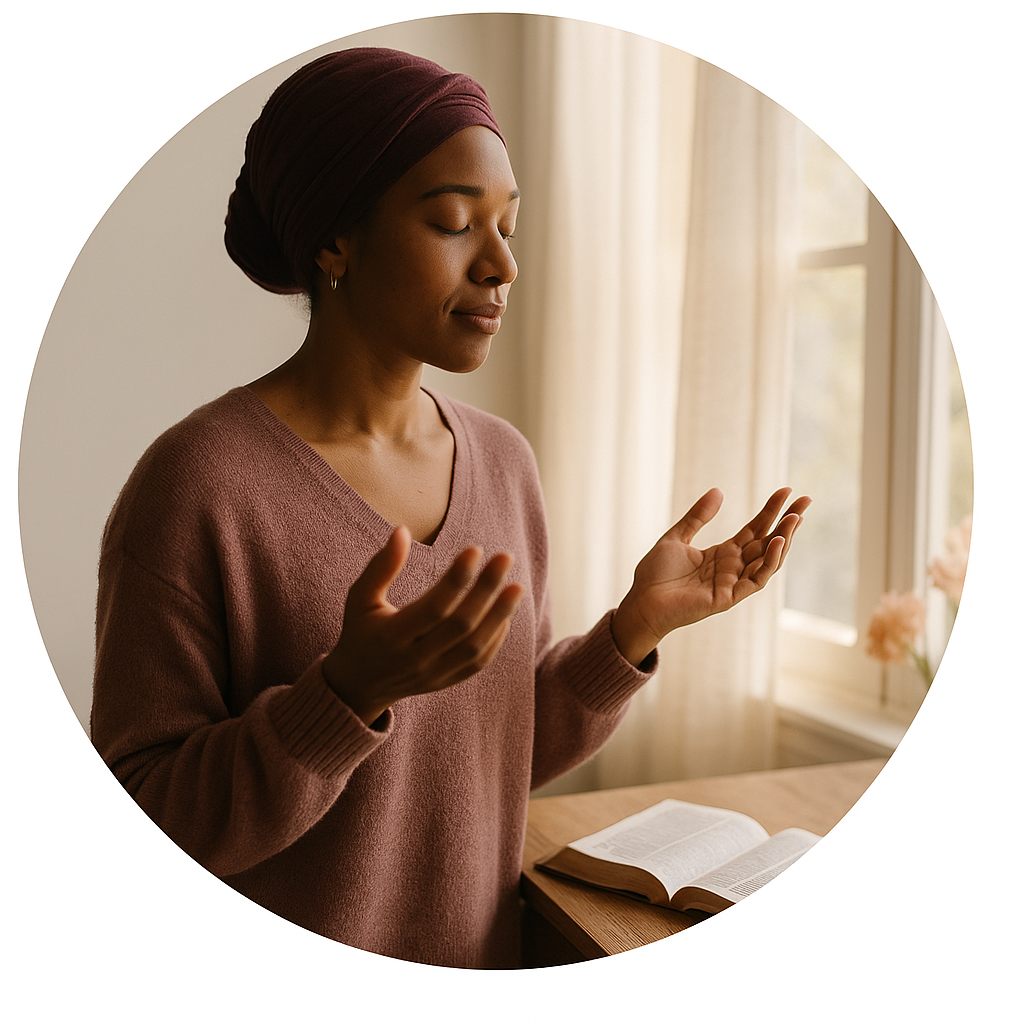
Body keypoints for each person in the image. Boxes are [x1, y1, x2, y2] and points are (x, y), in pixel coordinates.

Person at [90, 47, 809, 970]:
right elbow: (147, 826)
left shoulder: (503, 463)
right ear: (335, 241)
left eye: (509, 225)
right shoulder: (197, 486)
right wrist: (344, 696)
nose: (502, 263)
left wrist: (631, 632)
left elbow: (489, 758)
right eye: (455, 221)